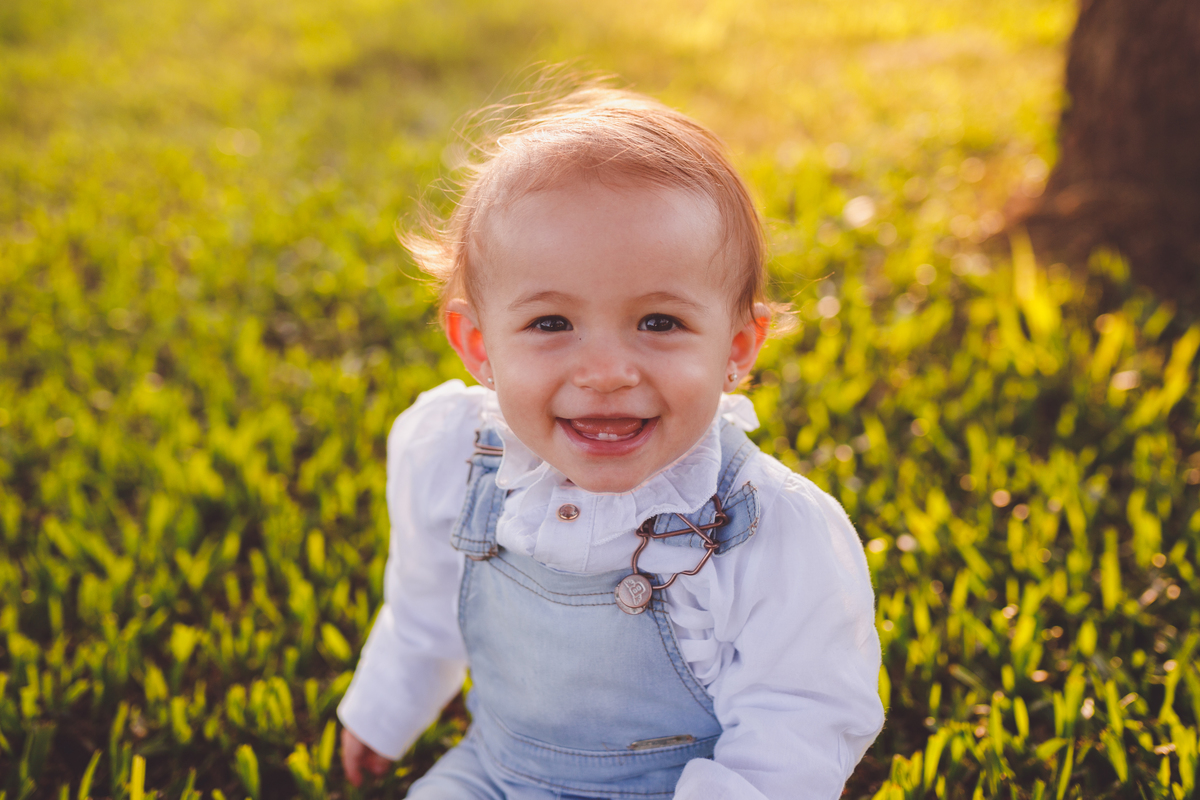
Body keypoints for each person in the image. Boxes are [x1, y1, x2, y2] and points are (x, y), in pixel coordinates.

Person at [336, 82, 884, 799]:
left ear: (738, 347)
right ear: (477, 346)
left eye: (658, 322)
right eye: (551, 324)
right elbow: (423, 604)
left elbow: (800, 721)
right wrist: (384, 710)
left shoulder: (770, 528)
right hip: (497, 776)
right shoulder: (451, 456)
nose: (605, 373)